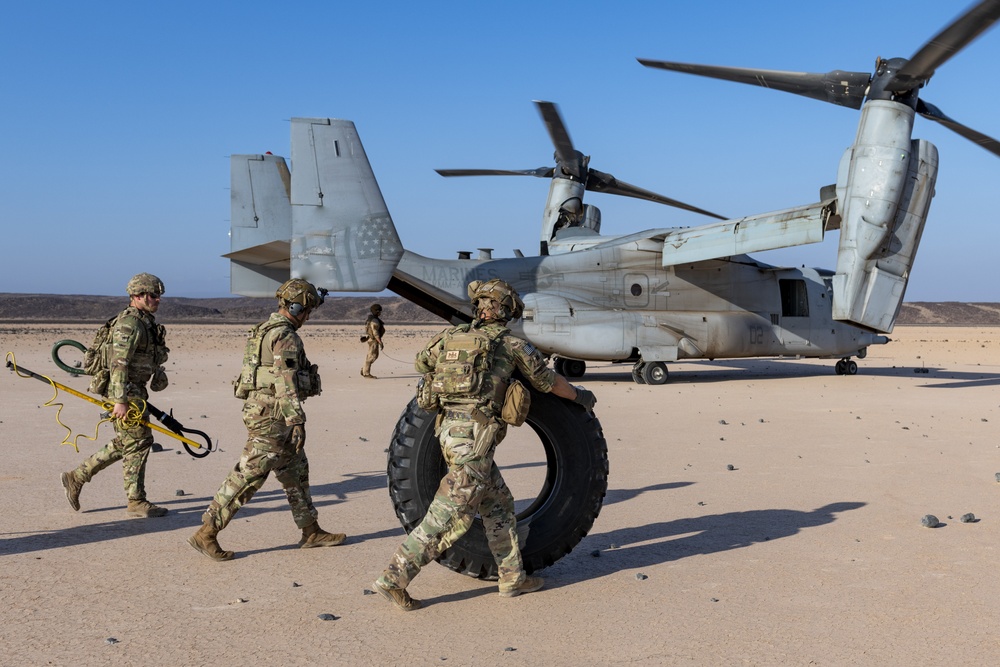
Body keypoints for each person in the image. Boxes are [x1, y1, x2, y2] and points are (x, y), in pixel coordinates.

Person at [372, 279, 597, 611]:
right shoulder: (511, 345)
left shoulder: (450, 337)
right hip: (474, 444)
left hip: (448, 433)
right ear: (505, 310)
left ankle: (511, 577)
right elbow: (548, 382)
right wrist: (581, 396)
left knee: (499, 505)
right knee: (445, 517)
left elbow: (422, 363)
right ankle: (393, 578)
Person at [188, 278, 346, 561]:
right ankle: (207, 532)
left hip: (268, 411)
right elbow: (285, 380)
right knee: (250, 474)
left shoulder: (264, 330)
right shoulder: (284, 335)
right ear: (296, 306)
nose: (308, 317)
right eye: (307, 311)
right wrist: (296, 419)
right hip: (273, 415)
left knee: (296, 471)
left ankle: (310, 530)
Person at [60, 273, 172, 518]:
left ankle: (77, 477)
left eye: (158, 295)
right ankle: (136, 500)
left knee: (128, 442)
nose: (157, 300)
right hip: (124, 391)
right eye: (153, 295)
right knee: (139, 441)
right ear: (137, 296)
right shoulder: (130, 324)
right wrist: (120, 401)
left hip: (135, 390)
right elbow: (119, 363)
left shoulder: (146, 322)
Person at [360, 303, 385, 378]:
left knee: (372, 356)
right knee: (372, 356)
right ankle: (366, 373)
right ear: (376, 311)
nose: (380, 313)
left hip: (371, 339)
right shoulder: (374, 321)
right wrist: (380, 342)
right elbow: (375, 332)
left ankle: (364, 370)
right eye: (379, 311)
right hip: (373, 340)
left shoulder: (371, 319)